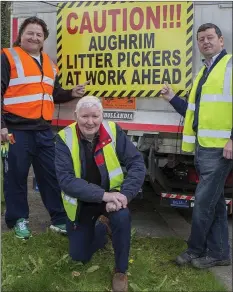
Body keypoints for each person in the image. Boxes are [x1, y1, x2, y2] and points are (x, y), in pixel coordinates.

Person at [1, 17, 89, 239]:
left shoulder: (49, 64)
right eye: (30, 33)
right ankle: (18, 220)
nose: (34, 37)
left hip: (43, 130)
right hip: (15, 129)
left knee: (51, 174)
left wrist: (71, 94)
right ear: (21, 35)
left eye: (39, 34)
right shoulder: (8, 57)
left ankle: (59, 218)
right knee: (16, 176)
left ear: (44, 39)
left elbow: (52, 94)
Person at [55, 95, 146, 292]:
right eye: (85, 116)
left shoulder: (113, 131)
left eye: (95, 116)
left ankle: (121, 271)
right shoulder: (64, 138)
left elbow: (137, 163)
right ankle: (104, 228)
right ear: (75, 115)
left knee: (122, 216)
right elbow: (66, 181)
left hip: (112, 197)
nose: (90, 121)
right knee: (79, 257)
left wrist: (124, 196)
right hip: (83, 203)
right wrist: (105, 196)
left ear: (102, 115)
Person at [161, 23, 232, 269]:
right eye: (201, 39)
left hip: (220, 149)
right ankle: (220, 252)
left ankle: (195, 250)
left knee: (203, 202)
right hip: (204, 149)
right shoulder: (203, 73)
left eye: (210, 38)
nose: (205, 42)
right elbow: (193, 113)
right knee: (214, 203)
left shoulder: (230, 67)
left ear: (221, 41)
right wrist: (171, 98)